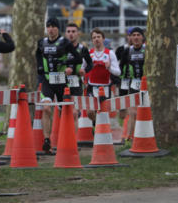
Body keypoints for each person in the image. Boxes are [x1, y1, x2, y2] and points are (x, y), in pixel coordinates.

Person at [36, 17, 82, 153]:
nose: (50, 29)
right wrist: (39, 66)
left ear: (57, 28)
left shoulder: (65, 42)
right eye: (48, 26)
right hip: (47, 81)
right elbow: (38, 54)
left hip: (62, 82)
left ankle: (69, 142)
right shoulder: (42, 42)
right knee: (46, 109)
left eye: (53, 27)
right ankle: (46, 140)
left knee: (68, 114)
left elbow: (77, 58)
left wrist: (67, 66)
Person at [85, 28, 121, 120]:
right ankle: (95, 126)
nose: (96, 39)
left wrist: (109, 67)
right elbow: (82, 69)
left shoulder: (110, 53)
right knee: (90, 111)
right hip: (91, 87)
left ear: (103, 39)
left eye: (98, 37)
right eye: (94, 37)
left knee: (101, 113)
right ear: (92, 40)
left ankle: (99, 129)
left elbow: (118, 72)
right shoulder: (89, 53)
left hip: (105, 88)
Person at [118, 27, 146, 141]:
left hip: (147, 85)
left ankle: (146, 136)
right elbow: (123, 73)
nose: (135, 37)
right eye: (133, 35)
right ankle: (130, 138)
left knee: (147, 111)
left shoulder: (148, 49)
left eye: (138, 35)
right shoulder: (127, 51)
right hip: (133, 85)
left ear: (142, 37)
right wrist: (122, 96)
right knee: (133, 112)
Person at [64, 23, 93, 130]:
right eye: (68, 31)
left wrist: (84, 70)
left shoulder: (82, 49)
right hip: (61, 84)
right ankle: (61, 140)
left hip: (76, 83)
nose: (71, 34)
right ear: (65, 33)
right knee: (62, 114)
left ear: (78, 34)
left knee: (74, 113)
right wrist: (63, 71)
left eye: (73, 31)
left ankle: (73, 142)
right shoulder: (60, 48)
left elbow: (90, 64)